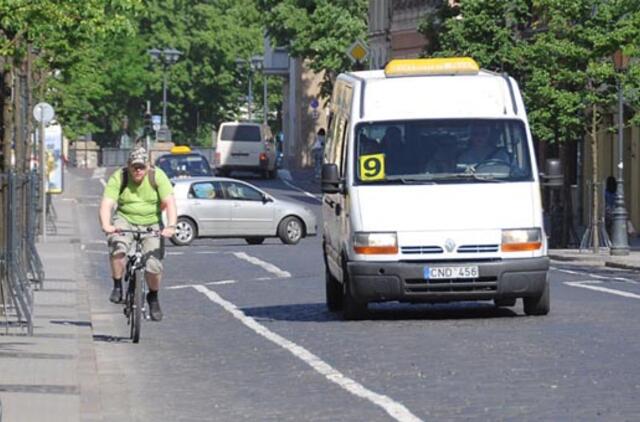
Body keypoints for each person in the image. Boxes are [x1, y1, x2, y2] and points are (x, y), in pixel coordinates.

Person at [99, 147, 177, 321]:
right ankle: (118, 286)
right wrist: (107, 225)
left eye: (141, 167)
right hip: (125, 219)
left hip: (151, 223)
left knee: (154, 265)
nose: (138, 170)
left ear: (148, 166)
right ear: (128, 166)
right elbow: (107, 203)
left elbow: (169, 203)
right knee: (118, 248)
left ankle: (153, 297)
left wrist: (170, 226)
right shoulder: (120, 177)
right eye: (135, 167)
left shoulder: (158, 176)